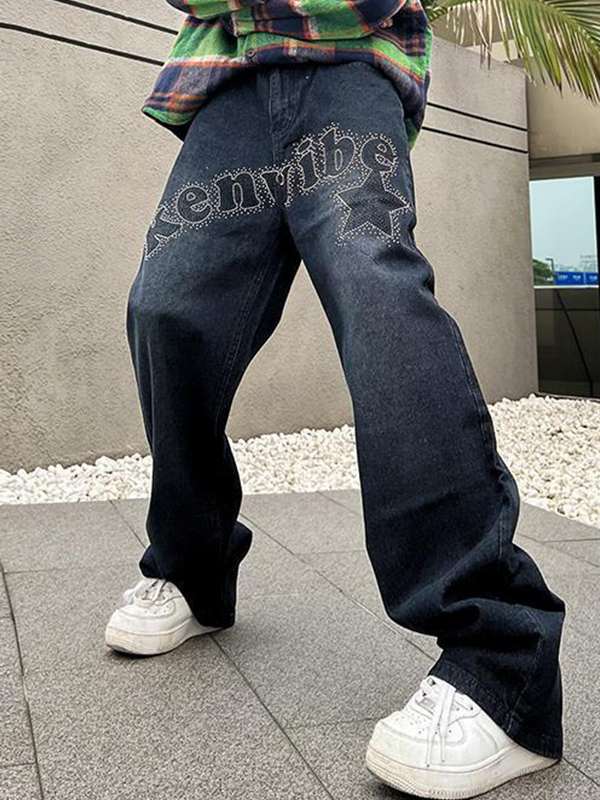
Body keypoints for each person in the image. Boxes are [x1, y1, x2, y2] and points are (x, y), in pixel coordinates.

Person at [105, 1, 566, 797]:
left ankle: (503, 660)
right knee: (165, 308)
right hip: (232, 85)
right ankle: (192, 568)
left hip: (348, 67)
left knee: (375, 289)